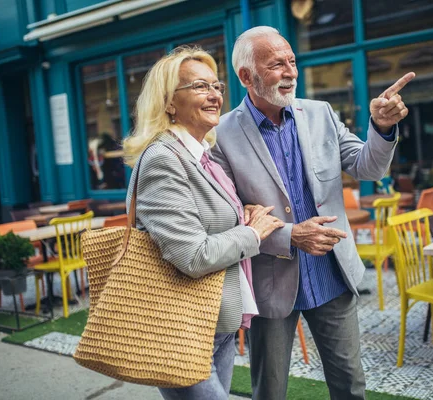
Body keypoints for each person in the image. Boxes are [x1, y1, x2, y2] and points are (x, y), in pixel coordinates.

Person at [212, 26, 414, 400]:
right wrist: (291, 235)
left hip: (332, 275)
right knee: (269, 391)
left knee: (350, 384)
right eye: (276, 64)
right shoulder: (221, 134)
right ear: (246, 76)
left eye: (292, 61)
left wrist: (383, 128)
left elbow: (366, 166)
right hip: (271, 283)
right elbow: (229, 216)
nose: (290, 72)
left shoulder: (320, 113)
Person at [122, 46, 285, 400]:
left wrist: (243, 215)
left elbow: (204, 221)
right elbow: (192, 256)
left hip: (215, 322)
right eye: (199, 87)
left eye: (217, 86)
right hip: (182, 330)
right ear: (168, 103)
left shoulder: (200, 155)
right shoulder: (164, 159)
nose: (214, 96)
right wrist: (252, 232)